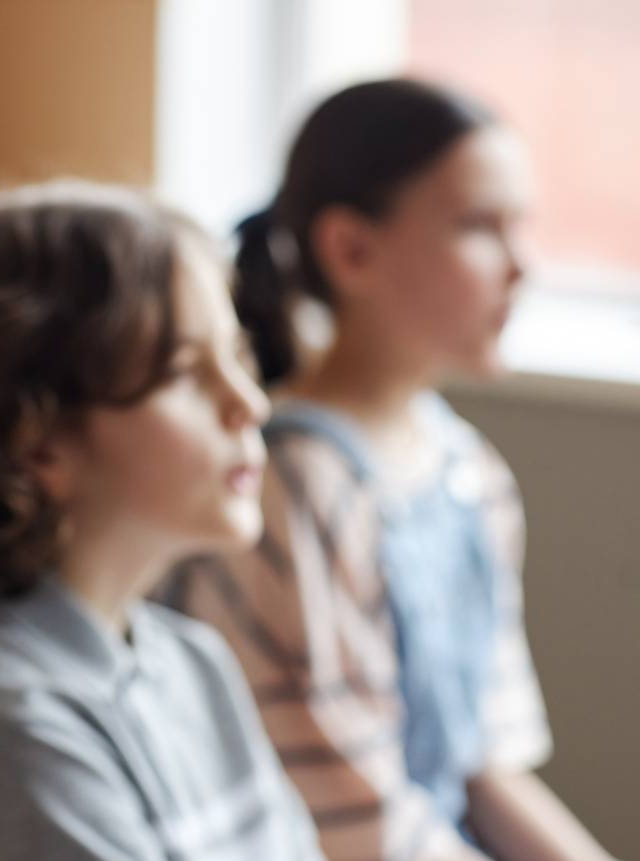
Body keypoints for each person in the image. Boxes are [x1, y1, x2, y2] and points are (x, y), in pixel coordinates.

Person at [160, 79, 614, 860]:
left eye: (521, 226)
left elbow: (484, 766)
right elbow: (353, 821)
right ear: (351, 249)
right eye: (480, 226)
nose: (521, 266)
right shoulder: (292, 488)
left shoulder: (469, 470)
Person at [0, 180, 324, 860]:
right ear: (35, 436)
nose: (249, 402)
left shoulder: (192, 660)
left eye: (240, 358)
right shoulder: (13, 736)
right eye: (189, 372)